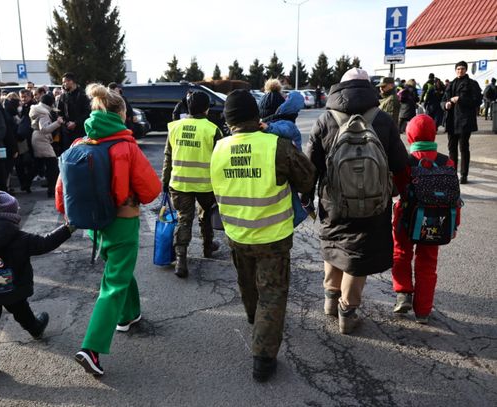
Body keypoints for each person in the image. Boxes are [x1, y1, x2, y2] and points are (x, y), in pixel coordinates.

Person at [55, 83, 161, 376]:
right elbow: (151, 190)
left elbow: (60, 192)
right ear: (121, 114)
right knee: (113, 283)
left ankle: (129, 315)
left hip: (93, 225)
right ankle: (91, 349)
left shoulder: (78, 144)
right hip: (123, 223)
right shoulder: (126, 147)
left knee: (118, 269)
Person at [210, 89, 315, 382]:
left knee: (247, 284)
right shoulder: (275, 146)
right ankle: (263, 358)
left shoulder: (218, 148)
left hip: (237, 234)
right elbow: (308, 176)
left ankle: (255, 321)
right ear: (255, 115)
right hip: (273, 236)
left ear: (229, 120)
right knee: (272, 293)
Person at [303, 68, 408, 335]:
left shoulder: (326, 119)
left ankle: (330, 298)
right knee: (359, 254)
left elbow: (309, 166)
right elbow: (400, 163)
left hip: (333, 201)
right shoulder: (382, 119)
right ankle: (347, 312)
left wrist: (306, 198)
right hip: (373, 204)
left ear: (341, 88)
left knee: (334, 244)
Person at [0, 184, 74, 376]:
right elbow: (45, 243)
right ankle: (35, 328)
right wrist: (67, 229)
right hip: (14, 289)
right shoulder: (21, 238)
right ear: (10, 215)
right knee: (20, 308)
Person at [391, 114, 459, 324]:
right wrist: (454, 223)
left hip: (406, 217)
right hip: (437, 218)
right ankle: (423, 311)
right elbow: (453, 196)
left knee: (401, 253)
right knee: (428, 262)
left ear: (410, 135)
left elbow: (397, 188)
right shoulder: (446, 161)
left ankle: (403, 293)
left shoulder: (405, 161)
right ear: (433, 133)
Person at [162, 92, 222, 278]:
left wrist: (165, 181)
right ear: (206, 108)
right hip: (206, 185)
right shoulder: (212, 130)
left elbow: (168, 157)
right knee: (206, 216)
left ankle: (181, 259)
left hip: (180, 183)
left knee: (183, 219)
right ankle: (207, 247)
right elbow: (220, 161)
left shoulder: (174, 127)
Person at [443, 61, 483, 184]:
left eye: (462, 68)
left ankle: (464, 175)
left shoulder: (472, 84)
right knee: (451, 149)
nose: (460, 71)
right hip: (451, 121)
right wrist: (445, 104)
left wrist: (461, 99)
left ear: (466, 70)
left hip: (465, 121)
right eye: (458, 69)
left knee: (464, 148)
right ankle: (452, 173)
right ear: (455, 70)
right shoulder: (451, 84)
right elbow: (443, 100)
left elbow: (477, 101)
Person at [30, 94, 64, 198]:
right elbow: (44, 129)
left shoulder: (37, 109)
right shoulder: (43, 113)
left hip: (38, 138)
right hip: (42, 139)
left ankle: (25, 183)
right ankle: (52, 190)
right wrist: (58, 123)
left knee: (39, 165)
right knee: (52, 165)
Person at [57, 72, 91, 151]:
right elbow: (59, 112)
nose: (64, 84)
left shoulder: (83, 95)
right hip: (67, 132)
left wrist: (75, 123)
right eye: (63, 82)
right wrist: (65, 122)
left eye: (65, 82)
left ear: (71, 81)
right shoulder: (63, 96)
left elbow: (87, 113)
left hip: (81, 131)